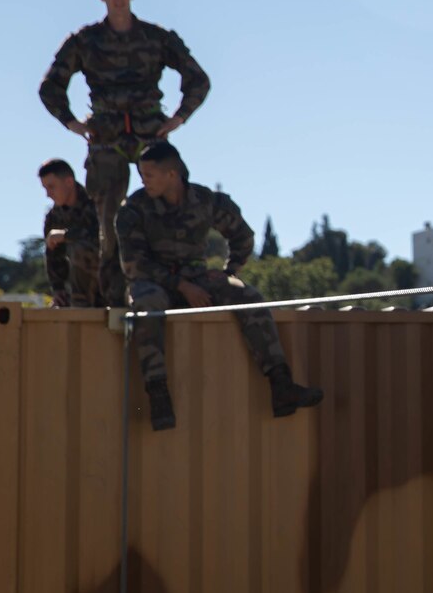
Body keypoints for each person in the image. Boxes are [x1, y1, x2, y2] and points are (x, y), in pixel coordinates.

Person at [115, 142, 323, 431]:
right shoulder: (133, 208)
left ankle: (282, 386)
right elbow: (133, 264)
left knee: (248, 295)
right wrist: (183, 286)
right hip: (154, 282)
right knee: (147, 304)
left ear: (172, 175)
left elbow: (242, 236)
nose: (143, 181)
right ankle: (158, 395)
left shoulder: (205, 200)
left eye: (149, 175)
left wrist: (229, 271)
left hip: (198, 279)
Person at [39, 0, 211, 307]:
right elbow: (49, 87)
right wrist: (72, 122)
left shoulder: (155, 37)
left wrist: (179, 117)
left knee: (173, 209)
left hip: (151, 134)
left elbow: (198, 79)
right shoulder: (85, 41)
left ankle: (182, 289)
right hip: (106, 137)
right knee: (108, 226)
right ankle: (115, 303)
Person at [38, 158, 104, 308]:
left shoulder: (97, 204)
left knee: (79, 248)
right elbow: (52, 255)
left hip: (106, 282)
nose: (48, 194)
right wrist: (58, 290)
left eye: (51, 187)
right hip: (73, 288)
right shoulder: (53, 217)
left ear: (69, 182)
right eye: (45, 188)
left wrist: (67, 236)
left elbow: (104, 238)